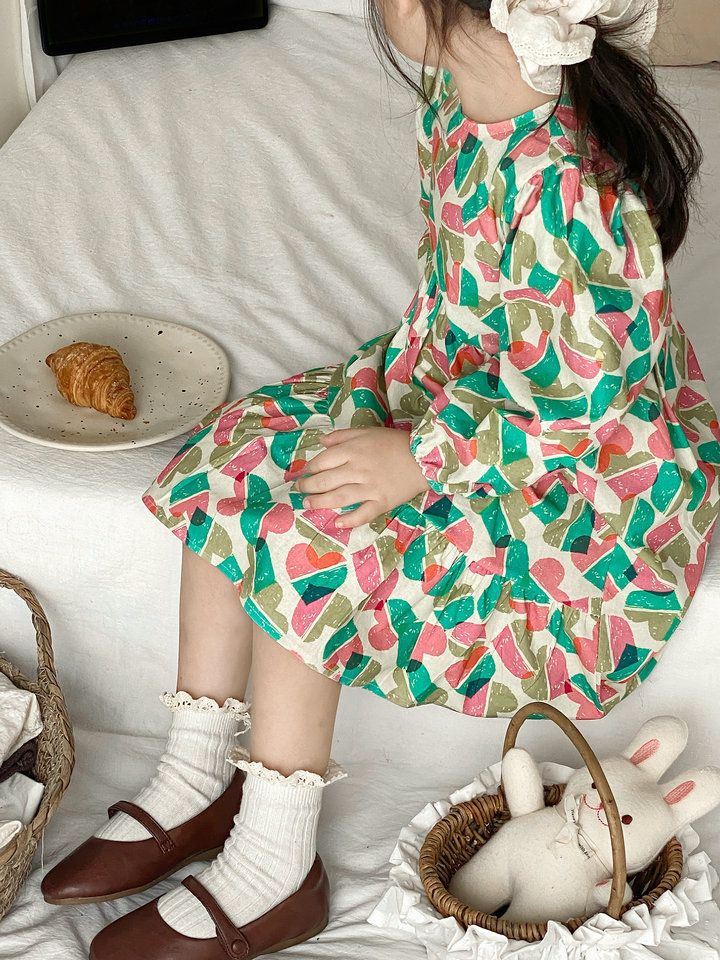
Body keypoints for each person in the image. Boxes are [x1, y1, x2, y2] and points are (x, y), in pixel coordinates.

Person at [42, 0, 720, 955]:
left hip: (577, 490)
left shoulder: (571, 192)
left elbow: (587, 409)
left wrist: (419, 457)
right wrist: (414, 404)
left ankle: (276, 863)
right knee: (244, 450)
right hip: (466, 389)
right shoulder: (464, 90)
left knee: (316, 535)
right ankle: (197, 776)